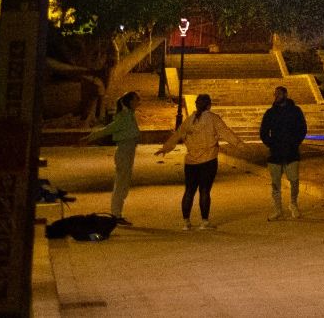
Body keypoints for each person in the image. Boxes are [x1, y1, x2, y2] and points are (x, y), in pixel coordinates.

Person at [155, 93, 242, 230]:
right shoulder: (213, 119)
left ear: (196, 104)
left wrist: (165, 148)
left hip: (191, 162)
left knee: (189, 191)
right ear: (209, 104)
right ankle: (204, 222)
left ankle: (186, 222)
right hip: (208, 160)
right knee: (205, 191)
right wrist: (239, 144)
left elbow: (177, 135)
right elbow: (226, 133)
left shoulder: (190, 120)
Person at [83, 92, 141, 223]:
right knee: (121, 184)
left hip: (128, 152)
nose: (139, 103)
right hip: (124, 152)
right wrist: (90, 138)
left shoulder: (129, 115)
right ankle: (116, 214)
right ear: (130, 102)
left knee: (124, 183)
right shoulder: (124, 117)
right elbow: (108, 129)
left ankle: (117, 213)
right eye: (136, 100)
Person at [259, 85, 308, 219]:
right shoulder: (270, 113)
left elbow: (302, 129)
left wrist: (295, 143)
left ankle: (293, 203)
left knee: (294, 180)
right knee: (275, 183)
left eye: (279, 94)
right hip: (275, 153)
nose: (276, 96)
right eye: (275, 94)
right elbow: (263, 132)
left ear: (285, 95)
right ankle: (277, 208)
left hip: (291, 152)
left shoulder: (296, 111)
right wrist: (271, 144)